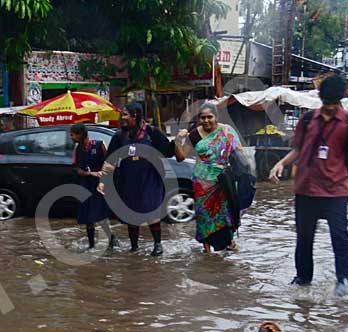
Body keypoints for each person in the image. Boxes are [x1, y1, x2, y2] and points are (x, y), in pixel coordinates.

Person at [268, 74, 348, 297]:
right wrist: (281, 163)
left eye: (333, 105)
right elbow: (299, 149)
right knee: (304, 238)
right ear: (321, 99)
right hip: (306, 189)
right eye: (326, 104)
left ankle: (343, 281)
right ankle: (303, 280)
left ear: (340, 99)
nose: (329, 109)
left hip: (336, 190)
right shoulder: (309, 119)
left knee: (340, 237)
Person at [104, 102, 175, 256]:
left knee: (152, 211)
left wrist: (179, 141)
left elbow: (168, 151)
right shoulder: (120, 135)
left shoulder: (152, 132)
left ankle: (157, 244)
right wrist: (103, 180)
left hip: (150, 178)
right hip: (128, 179)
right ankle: (134, 247)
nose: (122, 118)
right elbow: (109, 159)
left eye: (125, 115)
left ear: (135, 116)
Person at [175, 103, 242, 253]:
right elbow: (180, 157)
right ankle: (207, 249)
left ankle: (228, 242)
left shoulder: (227, 131)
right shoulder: (194, 135)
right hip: (202, 182)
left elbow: (239, 153)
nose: (206, 120)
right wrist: (178, 141)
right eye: (203, 117)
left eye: (209, 117)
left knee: (225, 214)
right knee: (204, 215)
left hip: (224, 181)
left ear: (216, 117)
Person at [70, 122, 116, 250]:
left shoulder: (99, 145)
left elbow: (108, 162)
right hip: (86, 183)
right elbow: (78, 169)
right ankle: (91, 246)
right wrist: (90, 173)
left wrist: (102, 174)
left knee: (100, 214)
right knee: (87, 216)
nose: (71, 137)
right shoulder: (77, 150)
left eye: (73, 135)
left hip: (99, 184)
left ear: (81, 134)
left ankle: (111, 239)